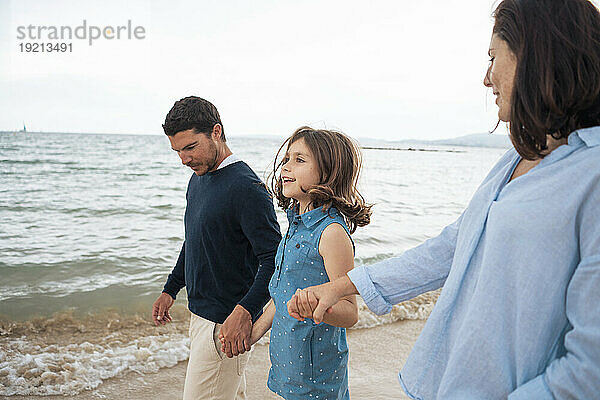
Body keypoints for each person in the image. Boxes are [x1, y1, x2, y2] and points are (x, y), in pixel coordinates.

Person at [289, 0, 600, 398]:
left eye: (493, 57)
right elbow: (453, 246)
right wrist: (342, 286)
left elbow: (589, 369)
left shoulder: (591, 177)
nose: (487, 78)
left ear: (535, 56)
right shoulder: (516, 159)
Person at [222, 127, 372, 399]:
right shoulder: (295, 226)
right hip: (287, 367)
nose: (285, 167)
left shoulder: (331, 233)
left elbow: (350, 312)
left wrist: (317, 305)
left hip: (317, 377)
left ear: (328, 172)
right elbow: (283, 294)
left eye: (299, 160)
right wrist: (254, 333)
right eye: (287, 159)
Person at [151, 96, 281, 400]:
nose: (184, 159)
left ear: (216, 132)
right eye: (177, 151)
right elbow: (195, 240)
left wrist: (245, 310)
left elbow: (275, 259)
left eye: (190, 147)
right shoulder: (198, 180)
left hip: (226, 325)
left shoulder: (247, 188)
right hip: (200, 317)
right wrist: (171, 289)